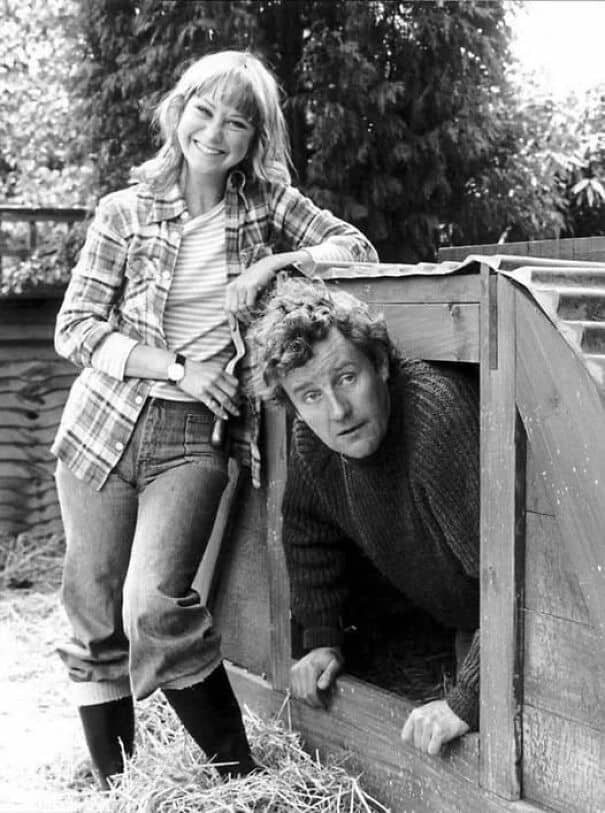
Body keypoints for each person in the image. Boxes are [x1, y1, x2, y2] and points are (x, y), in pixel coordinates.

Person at [51, 50, 377, 790]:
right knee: (93, 612)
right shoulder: (124, 211)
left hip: (194, 437)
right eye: (204, 110)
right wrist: (176, 367)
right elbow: (75, 328)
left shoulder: (264, 204)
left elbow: (357, 247)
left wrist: (271, 267)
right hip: (101, 428)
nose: (214, 131)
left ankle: (240, 781)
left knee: (154, 605)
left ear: (254, 139)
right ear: (179, 110)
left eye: (237, 122)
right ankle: (121, 790)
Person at [249, 277, 480, 757]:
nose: (337, 410)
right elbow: (307, 532)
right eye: (310, 395)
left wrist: (468, 698)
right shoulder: (313, 442)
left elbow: (514, 583)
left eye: (347, 378)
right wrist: (322, 637)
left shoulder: (437, 420)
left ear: (380, 363)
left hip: (498, 620)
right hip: (455, 615)